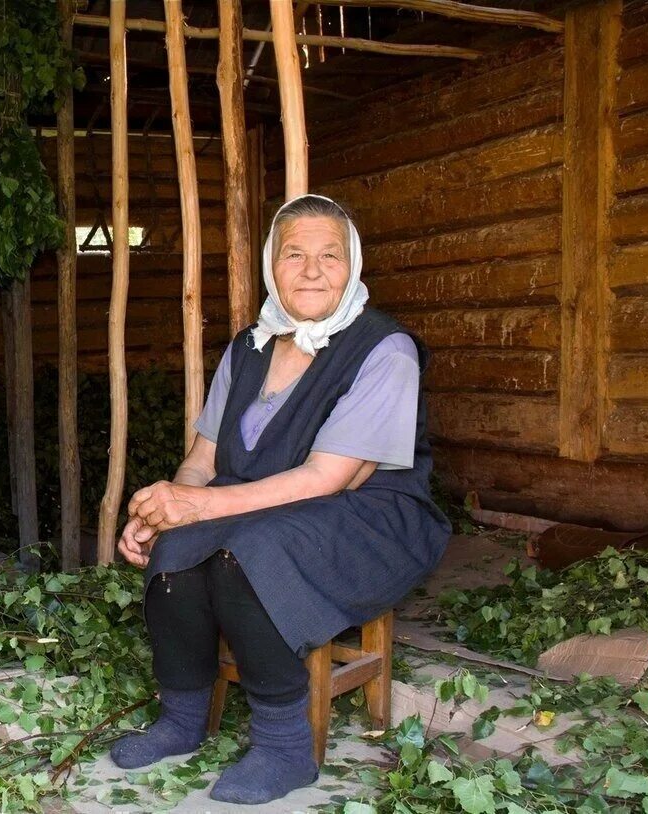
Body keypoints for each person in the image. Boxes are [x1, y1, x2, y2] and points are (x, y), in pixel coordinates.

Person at [109, 194, 451, 805]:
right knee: (180, 547)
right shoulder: (250, 347)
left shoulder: (383, 348)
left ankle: (284, 747)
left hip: (371, 515)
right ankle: (182, 719)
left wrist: (199, 506)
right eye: (295, 254)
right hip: (267, 503)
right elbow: (203, 461)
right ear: (273, 265)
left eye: (330, 256)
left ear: (353, 266)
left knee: (252, 555)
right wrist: (167, 506)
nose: (313, 270)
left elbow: (330, 478)